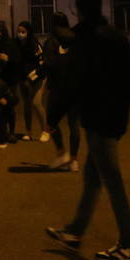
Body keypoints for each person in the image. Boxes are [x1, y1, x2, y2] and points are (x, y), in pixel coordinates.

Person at [45, 0, 130, 260]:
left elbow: (73, 82)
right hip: (112, 117)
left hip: (99, 119)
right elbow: (128, 80)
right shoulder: (116, 35)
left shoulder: (86, 40)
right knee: (93, 178)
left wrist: (53, 117)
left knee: (112, 181)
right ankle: (75, 232)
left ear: (80, 10)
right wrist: (123, 115)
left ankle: (129, 243)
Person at [42, 12, 80, 171]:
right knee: (73, 124)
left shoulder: (51, 42)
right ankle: (73, 160)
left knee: (53, 122)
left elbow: (50, 64)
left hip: (58, 88)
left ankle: (62, 153)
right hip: (75, 87)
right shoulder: (75, 39)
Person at [15, 21, 48, 142]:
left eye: (23, 32)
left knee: (37, 103)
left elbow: (42, 62)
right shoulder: (17, 44)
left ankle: (45, 130)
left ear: (28, 32)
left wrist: (34, 76)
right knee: (26, 105)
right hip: (23, 78)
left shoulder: (34, 44)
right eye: (19, 31)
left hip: (37, 77)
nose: (20, 34)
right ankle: (28, 132)